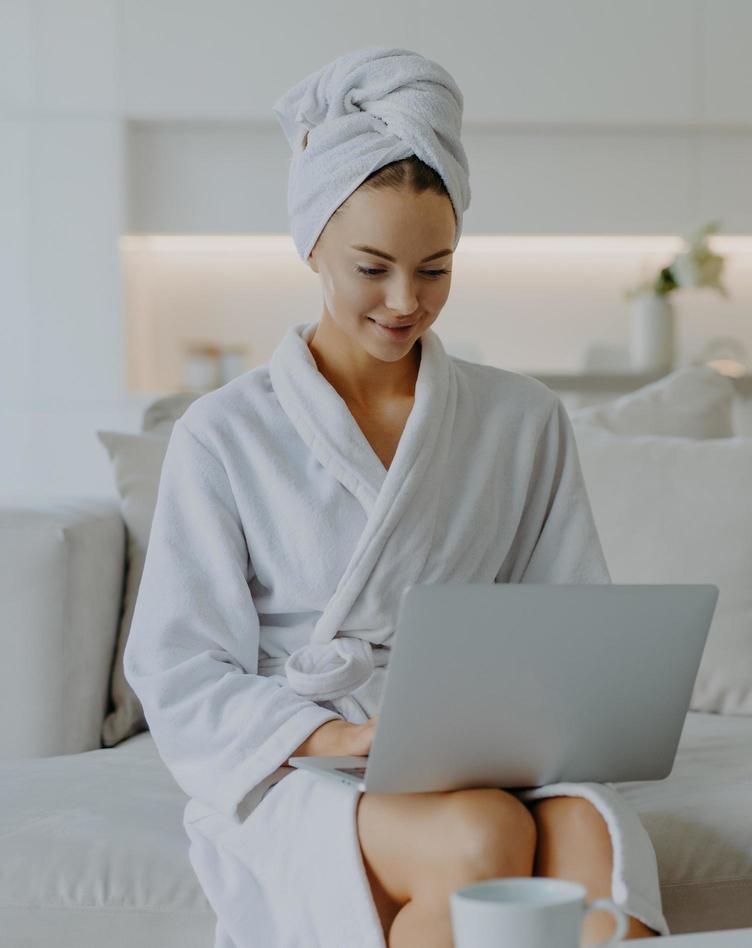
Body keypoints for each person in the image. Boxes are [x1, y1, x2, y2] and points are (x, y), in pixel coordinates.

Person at [122, 46, 668, 948]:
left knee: (593, 849)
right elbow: (179, 669)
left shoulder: (520, 419)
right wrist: (337, 738)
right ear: (312, 247)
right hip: (305, 757)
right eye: (371, 268)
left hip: (486, 747)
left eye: (436, 269)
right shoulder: (224, 434)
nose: (405, 302)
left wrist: (511, 726)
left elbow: (571, 621)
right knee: (483, 834)